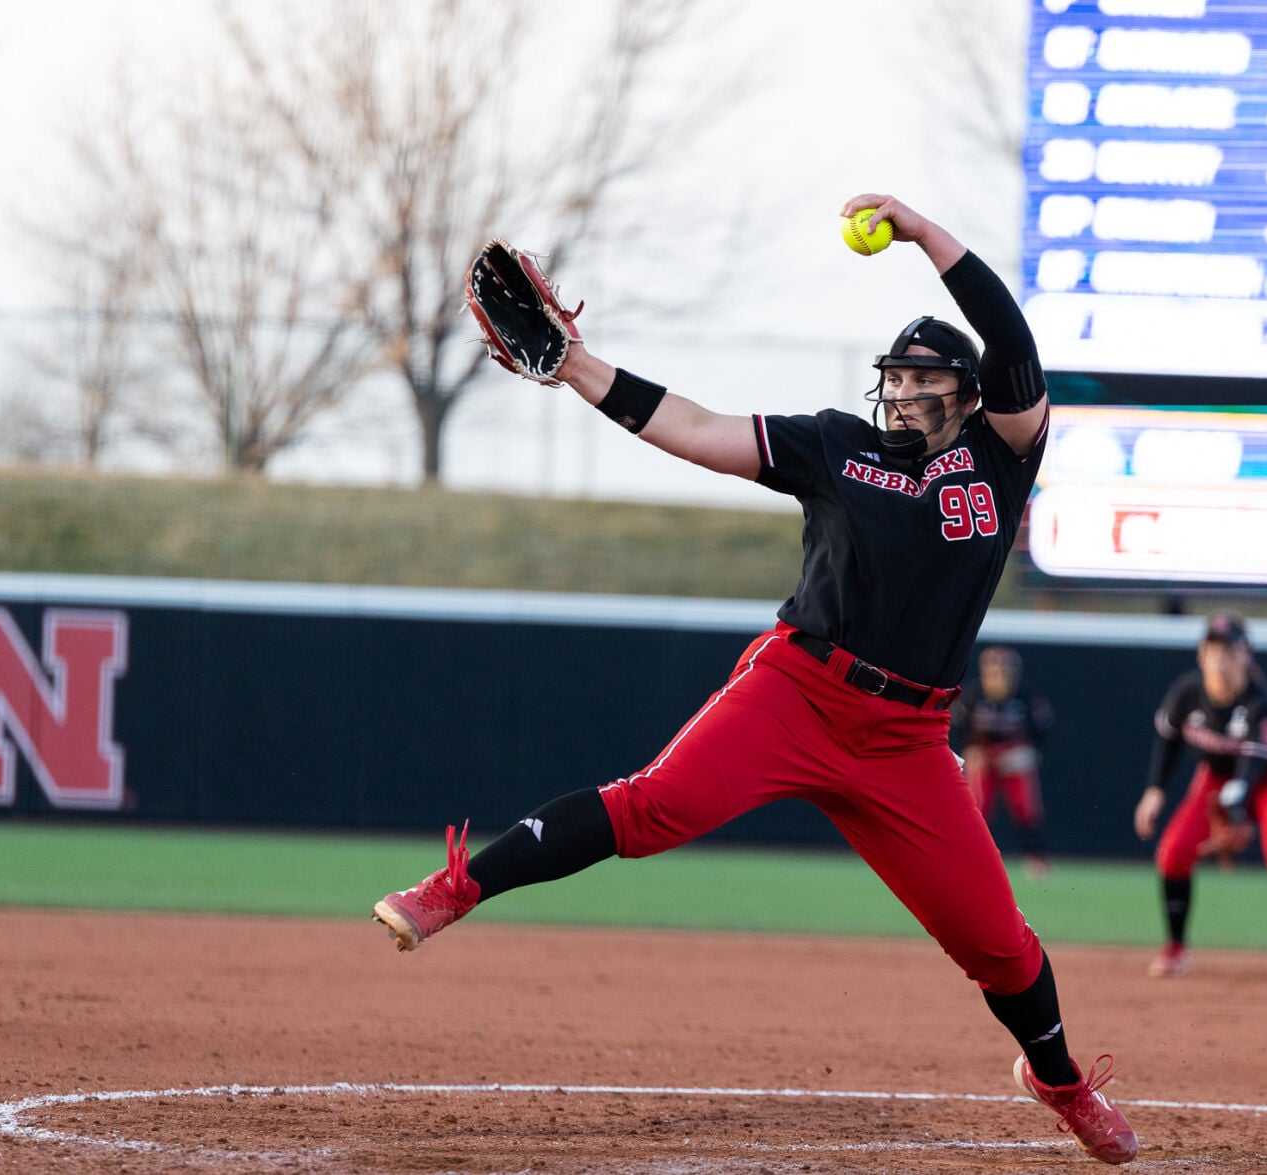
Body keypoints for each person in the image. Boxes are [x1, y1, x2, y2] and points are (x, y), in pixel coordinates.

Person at [372, 195, 1138, 1165]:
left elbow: (1008, 330)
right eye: (893, 375)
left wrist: (918, 231)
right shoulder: (837, 445)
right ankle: (459, 885)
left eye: (923, 376)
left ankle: (1058, 1081)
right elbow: (692, 425)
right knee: (649, 807)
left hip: (906, 739)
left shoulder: (1003, 452)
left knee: (998, 943)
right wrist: (576, 369)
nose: (902, 390)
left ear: (968, 389)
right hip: (797, 690)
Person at [1131, 613, 1267, 986]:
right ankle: (1176, 949)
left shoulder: (1262, 701)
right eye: (1212, 649)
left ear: (1245, 655)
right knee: (1173, 852)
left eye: (1229, 650)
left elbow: (1251, 769)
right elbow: (1168, 740)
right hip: (1217, 778)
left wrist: (1237, 817)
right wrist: (1154, 791)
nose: (1220, 658)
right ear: (1201, 654)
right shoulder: (1186, 693)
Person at [951, 645, 1055, 879]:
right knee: (977, 807)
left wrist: (1027, 751)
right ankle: (969, 857)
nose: (998, 675)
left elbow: (1041, 727)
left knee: (1026, 807)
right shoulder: (972, 696)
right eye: (993, 669)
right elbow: (958, 725)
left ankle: (1036, 858)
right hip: (982, 756)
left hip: (1013, 756)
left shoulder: (1027, 697)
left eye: (1004, 669)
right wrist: (973, 750)